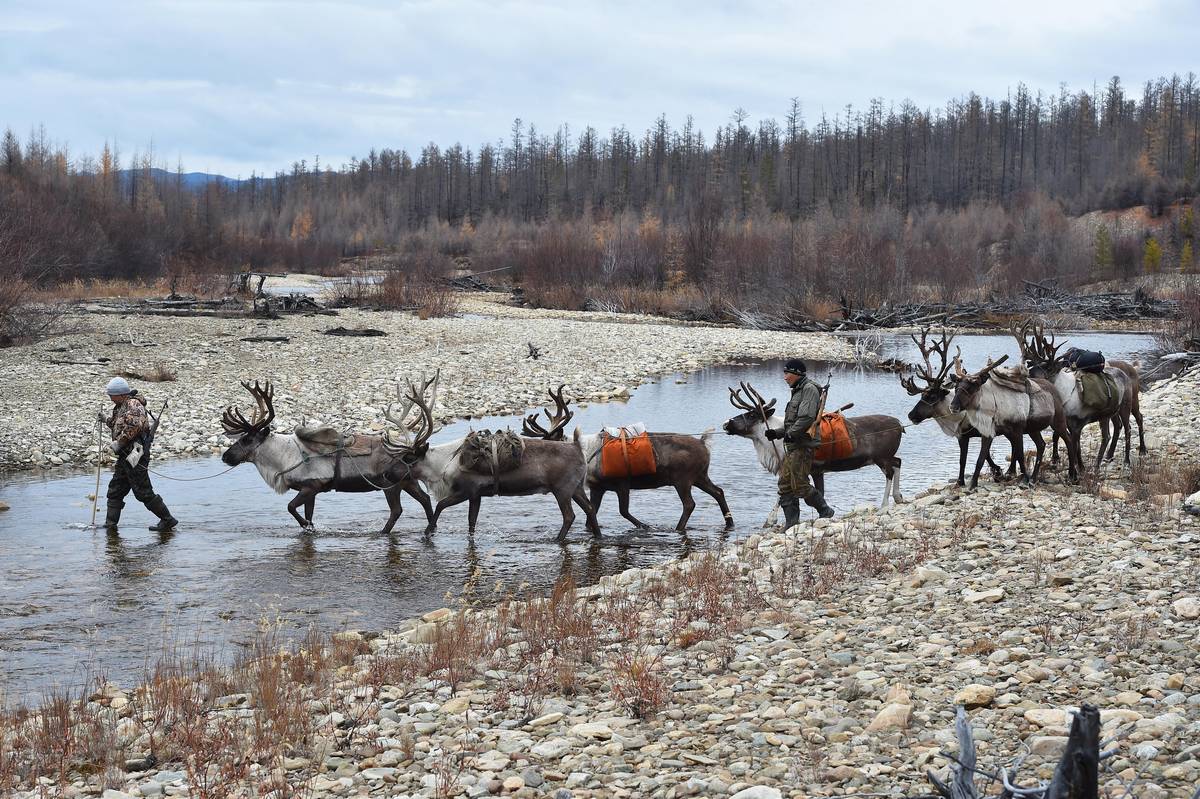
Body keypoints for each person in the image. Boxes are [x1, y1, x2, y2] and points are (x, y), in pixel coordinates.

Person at [100, 377, 177, 533]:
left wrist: (119, 442)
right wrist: (106, 420)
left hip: (136, 455)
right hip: (125, 456)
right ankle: (110, 525)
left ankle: (168, 520)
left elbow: (134, 427)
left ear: (120, 394)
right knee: (115, 490)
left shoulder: (134, 406)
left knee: (143, 492)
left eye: (111, 394)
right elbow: (118, 424)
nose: (109, 397)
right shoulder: (120, 406)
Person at [764, 359, 835, 525]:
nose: (785, 377)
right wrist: (777, 433)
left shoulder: (809, 389)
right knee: (784, 485)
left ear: (797, 373)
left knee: (800, 485)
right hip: (793, 446)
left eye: (787, 373)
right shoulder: (798, 390)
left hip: (802, 446)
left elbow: (806, 418)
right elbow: (792, 423)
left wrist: (791, 435)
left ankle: (825, 511)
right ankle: (791, 524)